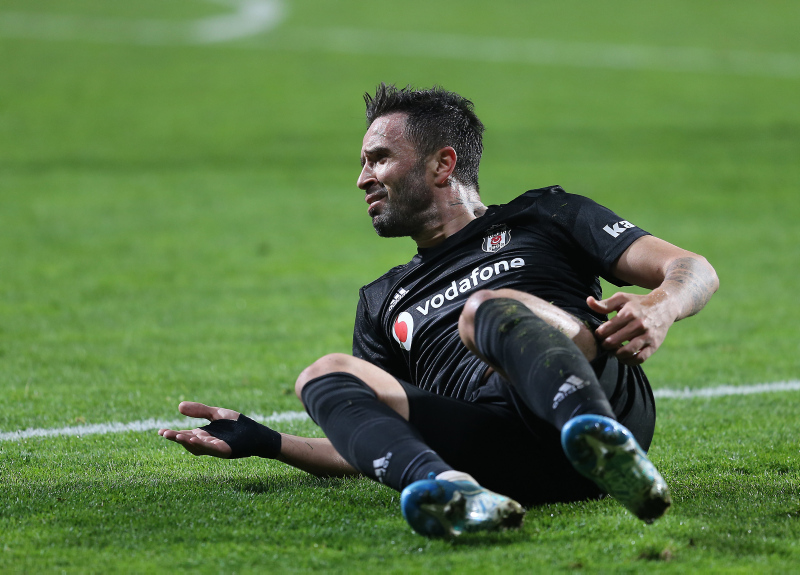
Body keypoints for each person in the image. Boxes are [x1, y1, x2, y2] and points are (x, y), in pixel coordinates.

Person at [160, 84, 719, 539]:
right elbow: (379, 438)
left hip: (600, 393)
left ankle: (599, 439)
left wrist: (660, 307)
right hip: (502, 451)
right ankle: (454, 491)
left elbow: (692, 268)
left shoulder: (544, 215)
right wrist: (270, 443)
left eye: (379, 159)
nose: (362, 179)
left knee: (486, 310)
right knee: (323, 373)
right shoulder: (382, 299)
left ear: (442, 164)